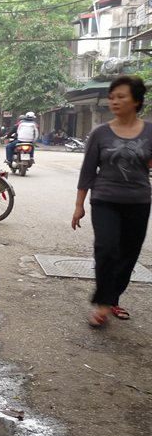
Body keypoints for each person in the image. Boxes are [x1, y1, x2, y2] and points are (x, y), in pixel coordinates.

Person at [71, 75, 152, 328]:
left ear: (136, 101)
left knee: (128, 255)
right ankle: (104, 305)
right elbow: (87, 172)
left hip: (138, 202)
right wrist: (79, 205)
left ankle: (113, 297)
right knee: (106, 249)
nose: (114, 101)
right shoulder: (100, 133)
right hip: (105, 199)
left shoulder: (150, 131)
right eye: (112, 97)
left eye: (121, 96)